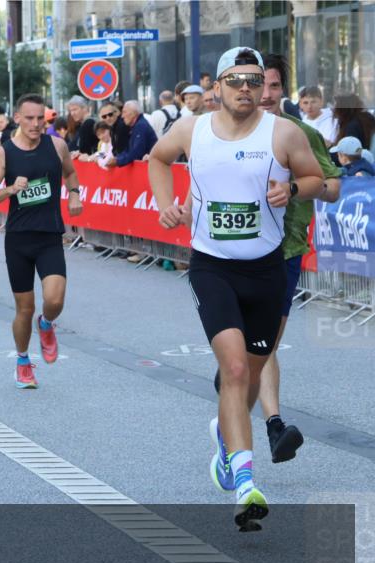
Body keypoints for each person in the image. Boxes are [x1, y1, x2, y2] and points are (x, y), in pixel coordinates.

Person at [149, 47, 324, 530]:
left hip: (266, 269)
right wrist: (167, 205)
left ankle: (227, 447)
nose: (245, 88)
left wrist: (292, 190)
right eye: (235, 80)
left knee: (249, 373)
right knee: (232, 366)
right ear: (218, 87)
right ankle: (246, 483)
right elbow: (157, 159)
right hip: (213, 267)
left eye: (253, 80)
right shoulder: (192, 129)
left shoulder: (283, 132)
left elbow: (315, 178)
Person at [247, 53, 343, 464]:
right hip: (232, 255)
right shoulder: (221, 133)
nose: (265, 95)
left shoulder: (302, 133)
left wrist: (299, 189)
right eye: (258, 86)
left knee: (263, 346)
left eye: (273, 86)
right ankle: (253, 405)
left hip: (285, 253)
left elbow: (332, 187)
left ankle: (272, 427)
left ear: (283, 88)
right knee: (246, 349)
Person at [0, 94, 83, 388]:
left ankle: (47, 324)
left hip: (50, 235)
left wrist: (74, 193)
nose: (36, 124)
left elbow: (71, 173)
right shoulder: (5, 152)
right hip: (18, 239)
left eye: (41, 119)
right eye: (30, 119)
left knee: (54, 299)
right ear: (17, 119)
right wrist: (10, 189)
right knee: (24, 308)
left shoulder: (57, 145)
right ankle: (23, 361)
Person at [105, 101, 157, 168]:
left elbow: (137, 152)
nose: (122, 116)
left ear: (134, 113)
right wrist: (117, 158)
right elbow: (129, 149)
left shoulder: (140, 126)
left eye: (124, 112)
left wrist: (118, 161)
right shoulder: (136, 126)